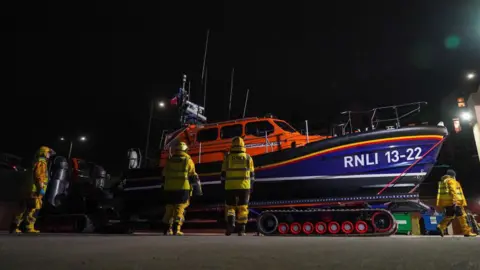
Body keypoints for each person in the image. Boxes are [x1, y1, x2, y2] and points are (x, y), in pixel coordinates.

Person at [10, 146, 55, 234]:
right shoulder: (42, 163)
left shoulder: (34, 162)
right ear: (44, 153)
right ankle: (28, 227)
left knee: (23, 208)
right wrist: (41, 188)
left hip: (28, 189)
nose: (49, 155)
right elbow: (39, 177)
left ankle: (14, 226)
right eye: (48, 153)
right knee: (33, 209)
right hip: (35, 190)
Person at [161, 141, 202, 236]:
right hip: (182, 189)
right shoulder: (188, 160)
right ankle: (176, 229)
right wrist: (198, 189)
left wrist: (164, 186)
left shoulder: (169, 160)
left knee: (169, 209)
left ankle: (166, 229)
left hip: (169, 188)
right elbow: (193, 176)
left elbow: (163, 175)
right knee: (179, 209)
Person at [221, 136, 255, 236]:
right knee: (243, 208)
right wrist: (251, 186)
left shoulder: (227, 157)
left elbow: (223, 174)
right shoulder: (248, 158)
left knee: (230, 207)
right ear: (243, 145)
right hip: (244, 187)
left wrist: (224, 185)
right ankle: (241, 230)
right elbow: (252, 175)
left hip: (230, 186)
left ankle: (231, 223)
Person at [436, 169, 476, 237]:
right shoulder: (452, 181)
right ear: (453, 176)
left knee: (450, 216)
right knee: (462, 216)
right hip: (455, 202)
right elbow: (453, 191)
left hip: (447, 203)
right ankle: (467, 232)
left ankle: (441, 226)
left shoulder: (443, 182)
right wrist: (455, 201)